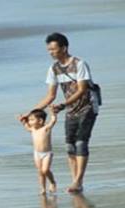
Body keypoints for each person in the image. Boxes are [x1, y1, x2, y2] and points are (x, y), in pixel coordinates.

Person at [20, 32, 99, 193]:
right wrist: (30, 113)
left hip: (88, 107)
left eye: (54, 49)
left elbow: (82, 89)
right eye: (49, 49)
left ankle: (78, 181)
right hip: (70, 108)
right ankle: (74, 181)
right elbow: (50, 95)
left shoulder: (79, 64)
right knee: (70, 146)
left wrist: (63, 104)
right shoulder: (54, 69)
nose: (51, 52)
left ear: (64, 48)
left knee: (81, 143)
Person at [18, 108, 57, 194]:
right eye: (29, 120)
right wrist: (23, 121)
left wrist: (53, 113)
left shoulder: (46, 128)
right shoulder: (33, 129)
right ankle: (42, 188)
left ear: (40, 120)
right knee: (40, 171)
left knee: (45, 170)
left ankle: (52, 182)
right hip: (37, 153)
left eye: (32, 120)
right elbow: (26, 126)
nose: (30, 122)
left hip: (47, 153)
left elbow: (53, 121)